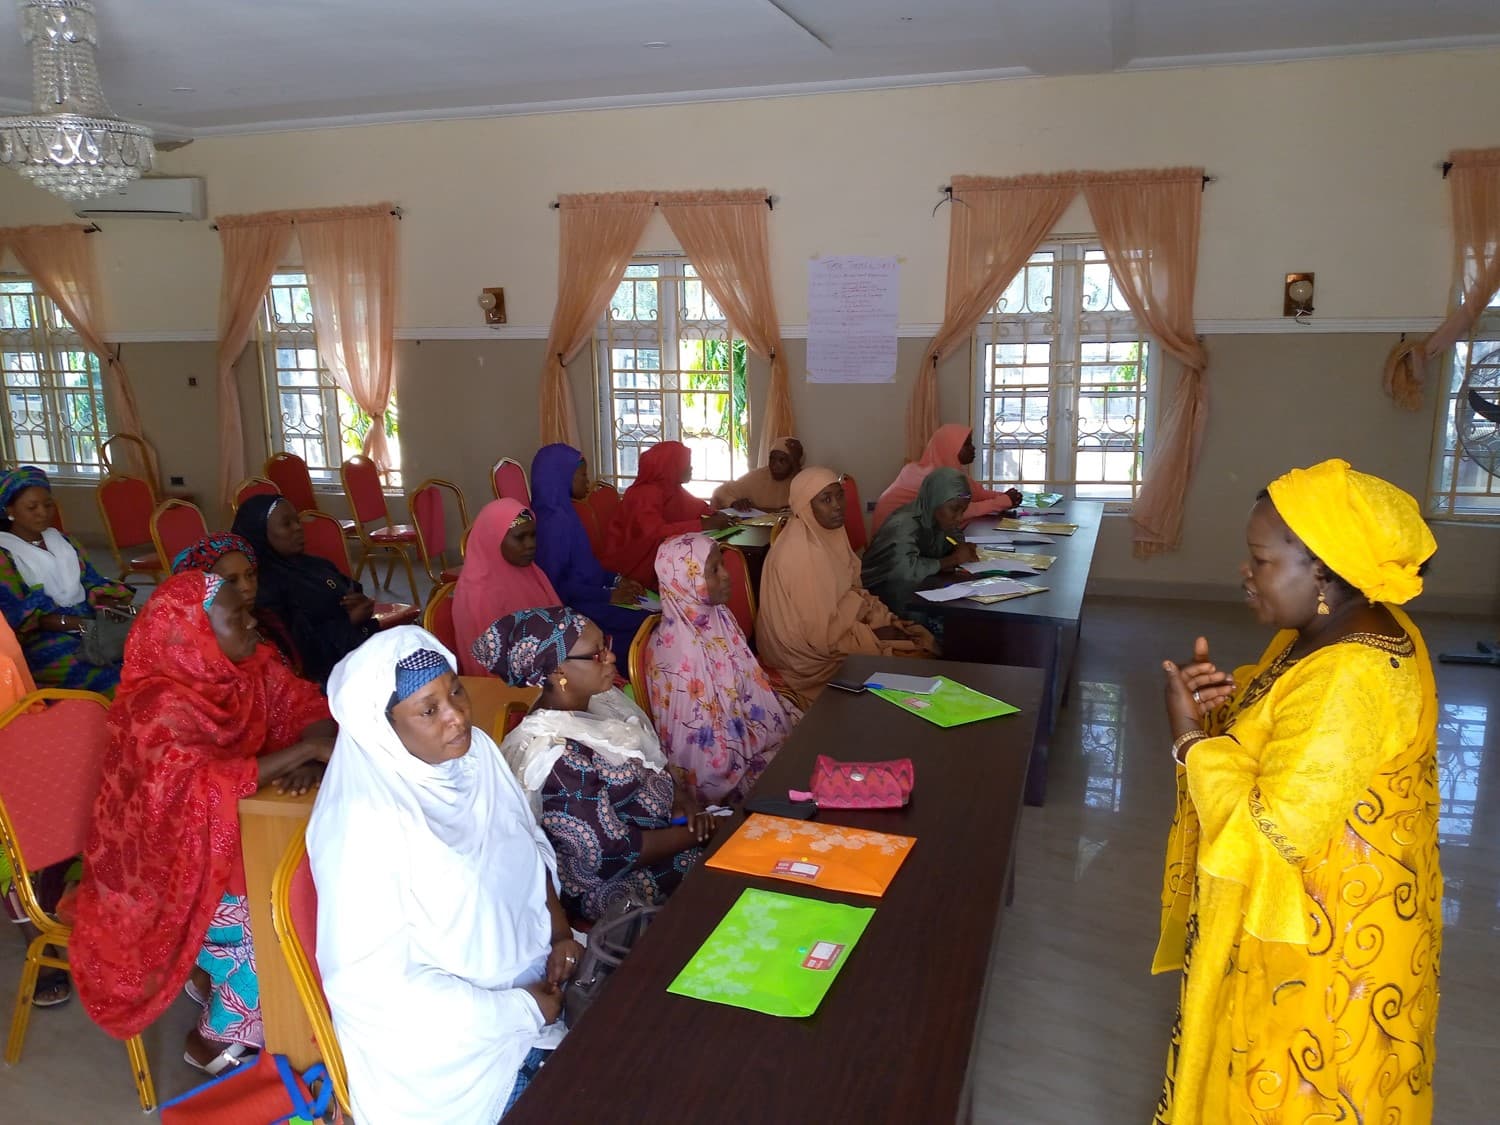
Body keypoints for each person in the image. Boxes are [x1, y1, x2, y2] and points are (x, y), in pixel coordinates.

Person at [1151, 459, 1442, 1125]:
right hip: (1341, 918)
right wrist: (1226, 715)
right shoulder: (1334, 627)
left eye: (1260, 559)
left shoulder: (1350, 676)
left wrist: (1191, 739)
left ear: (1323, 571)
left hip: (1324, 950)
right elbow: (1284, 735)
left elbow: (1268, 831)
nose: (1245, 573)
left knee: (1302, 1093)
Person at [309, 628, 579, 1124]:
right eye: (428, 710)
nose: (456, 715)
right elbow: (377, 988)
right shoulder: (362, 825)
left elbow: (525, 845)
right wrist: (520, 1012)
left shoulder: (475, 756)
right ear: (383, 729)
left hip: (538, 999)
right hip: (452, 1069)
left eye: (455, 690)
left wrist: (559, 931)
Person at [70, 571, 334, 1074]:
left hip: (219, 844)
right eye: (237, 619)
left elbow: (304, 704)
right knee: (279, 919)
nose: (254, 622)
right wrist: (300, 752)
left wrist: (308, 751)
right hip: (159, 876)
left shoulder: (248, 670)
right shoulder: (154, 710)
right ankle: (214, 1038)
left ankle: (216, 978)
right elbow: (195, 789)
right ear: (195, 637)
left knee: (308, 878)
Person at [476, 606, 721, 923]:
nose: (610, 658)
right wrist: (696, 835)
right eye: (596, 655)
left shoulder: (599, 701)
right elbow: (608, 854)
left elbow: (652, 761)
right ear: (558, 672)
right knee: (725, 868)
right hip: (609, 884)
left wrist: (681, 802)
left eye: (605, 645)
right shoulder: (554, 755)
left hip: (664, 835)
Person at [755, 468, 934, 703]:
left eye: (839, 495)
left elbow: (850, 591)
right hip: (806, 658)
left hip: (835, 628)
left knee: (916, 640)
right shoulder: (801, 554)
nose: (838, 505)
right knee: (914, 660)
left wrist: (880, 618)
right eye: (825, 500)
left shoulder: (827, 535)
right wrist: (872, 633)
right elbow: (819, 636)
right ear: (805, 506)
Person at [647, 533, 799, 804]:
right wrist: (759, 738)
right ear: (685, 582)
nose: (727, 575)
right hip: (718, 770)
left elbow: (747, 685)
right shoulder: (679, 651)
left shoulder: (718, 617)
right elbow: (702, 754)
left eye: (723, 565)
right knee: (802, 766)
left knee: (811, 736)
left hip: (745, 731)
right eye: (714, 571)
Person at [0, 465, 134, 694]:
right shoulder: (5, 553)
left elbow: (90, 580)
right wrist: (81, 626)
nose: (43, 512)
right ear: (10, 509)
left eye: (48, 504)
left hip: (87, 619)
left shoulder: (62, 541)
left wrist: (107, 603)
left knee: (143, 656)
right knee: (113, 678)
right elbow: (17, 615)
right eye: (32, 507)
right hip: (42, 637)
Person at [231, 493, 378, 686]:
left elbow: (346, 586)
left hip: (356, 650)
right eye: (286, 524)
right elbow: (296, 650)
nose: (298, 528)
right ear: (260, 532)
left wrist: (357, 599)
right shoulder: (261, 586)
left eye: (297, 521)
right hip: (324, 678)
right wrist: (348, 621)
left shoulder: (312, 564)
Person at [529, 443, 649, 657]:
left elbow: (586, 566)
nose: (587, 481)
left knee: (650, 609)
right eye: (582, 475)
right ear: (562, 476)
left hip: (590, 594)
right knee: (645, 622)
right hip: (575, 607)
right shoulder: (552, 524)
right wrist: (608, 596)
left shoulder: (566, 512)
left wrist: (617, 580)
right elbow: (555, 588)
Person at [598, 441, 732, 588]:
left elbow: (697, 507)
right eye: (686, 463)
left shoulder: (671, 487)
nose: (690, 468)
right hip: (631, 567)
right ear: (671, 466)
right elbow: (656, 532)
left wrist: (717, 514)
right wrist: (703, 524)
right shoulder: (644, 494)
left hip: (655, 559)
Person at [453, 499, 560, 676]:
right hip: (510, 686)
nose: (530, 544)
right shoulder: (478, 595)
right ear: (493, 538)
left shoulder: (530, 572)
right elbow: (493, 666)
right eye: (520, 537)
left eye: (533, 535)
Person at [861, 467, 980, 621]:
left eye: (962, 511)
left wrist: (959, 545)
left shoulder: (935, 517)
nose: (959, 518)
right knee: (951, 621)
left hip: (917, 586)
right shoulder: (904, 524)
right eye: (954, 509)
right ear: (935, 498)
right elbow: (905, 572)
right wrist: (953, 560)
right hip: (882, 594)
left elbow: (952, 535)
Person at [870, 424, 1022, 534]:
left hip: (920, 536)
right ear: (950, 448)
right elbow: (960, 511)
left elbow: (975, 493)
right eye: (967, 444)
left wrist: (1006, 497)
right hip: (895, 545)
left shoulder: (947, 469)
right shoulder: (931, 477)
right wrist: (1002, 502)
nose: (973, 448)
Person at [171, 532, 296, 662]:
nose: (247, 586)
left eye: (250, 574)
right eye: (231, 580)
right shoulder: (213, 650)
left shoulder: (268, 621)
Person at [709, 437, 804, 511]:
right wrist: (733, 503)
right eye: (772, 459)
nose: (775, 465)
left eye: (782, 460)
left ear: (794, 462)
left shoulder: (804, 481)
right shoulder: (759, 476)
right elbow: (720, 492)